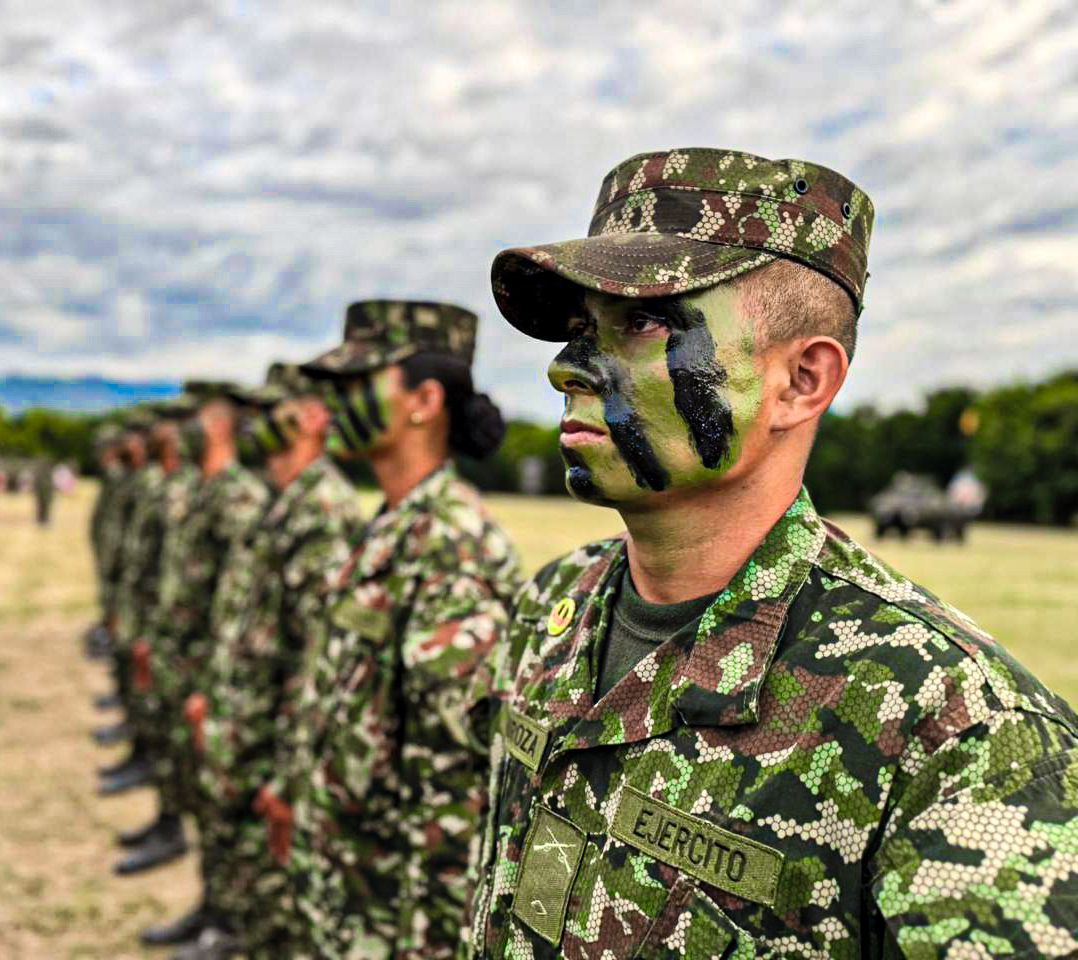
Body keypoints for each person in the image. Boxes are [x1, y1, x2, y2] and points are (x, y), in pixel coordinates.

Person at [464, 148, 1078, 958]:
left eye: (643, 322)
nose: (564, 366)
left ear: (801, 381)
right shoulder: (556, 607)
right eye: (581, 328)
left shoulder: (954, 731)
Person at [257, 300, 522, 959]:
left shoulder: (450, 547)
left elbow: (452, 796)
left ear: (424, 400)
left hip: (393, 922)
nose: (333, 408)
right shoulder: (393, 525)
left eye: (355, 386)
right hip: (349, 893)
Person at [174, 363, 365, 960]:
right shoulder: (281, 499)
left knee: (278, 911)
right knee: (239, 871)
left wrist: (288, 776)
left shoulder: (323, 512)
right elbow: (244, 620)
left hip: (274, 747)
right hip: (243, 725)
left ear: (312, 418)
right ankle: (224, 925)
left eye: (274, 410)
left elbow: (317, 660)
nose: (256, 424)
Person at [137, 381, 270, 951]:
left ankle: (228, 923)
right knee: (201, 796)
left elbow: (236, 602)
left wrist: (213, 683)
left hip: (212, 671)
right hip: (188, 662)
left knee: (224, 805)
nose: (183, 431)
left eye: (196, 419)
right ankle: (212, 908)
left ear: (217, 425)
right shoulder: (207, 489)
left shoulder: (240, 496)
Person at [110, 396, 201, 874]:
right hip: (165, 634)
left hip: (194, 654)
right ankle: (166, 820)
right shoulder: (172, 487)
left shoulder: (206, 492)